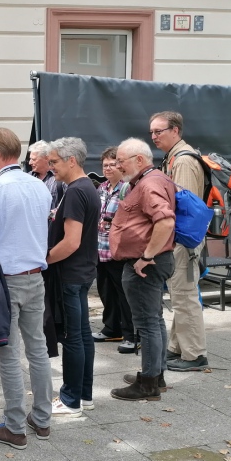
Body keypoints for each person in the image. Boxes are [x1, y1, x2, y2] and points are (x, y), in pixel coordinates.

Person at [0, 128, 53, 449]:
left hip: (5, 281)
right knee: (38, 350)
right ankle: (42, 419)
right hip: (35, 276)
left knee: (7, 353)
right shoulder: (40, 186)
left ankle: (15, 427)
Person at [109, 139, 176, 400]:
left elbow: (165, 221)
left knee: (147, 323)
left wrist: (146, 256)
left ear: (139, 159)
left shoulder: (149, 183)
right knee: (154, 320)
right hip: (154, 261)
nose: (118, 166)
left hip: (146, 264)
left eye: (121, 161)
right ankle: (155, 376)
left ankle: (148, 384)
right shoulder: (153, 179)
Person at [150, 111, 209, 372]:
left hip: (183, 241)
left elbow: (183, 206)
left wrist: (170, 240)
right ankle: (178, 347)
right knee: (179, 294)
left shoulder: (183, 161)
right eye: (151, 132)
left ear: (175, 130)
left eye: (158, 131)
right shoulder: (175, 156)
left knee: (184, 296)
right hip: (181, 240)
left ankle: (195, 355)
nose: (154, 136)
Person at [46, 137, 100, 418]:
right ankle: (83, 395)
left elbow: (71, 242)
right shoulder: (86, 187)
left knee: (73, 337)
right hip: (82, 271)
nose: (51, 166)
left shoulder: (77, 191)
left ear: (72, 160)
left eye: (54, 161)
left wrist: (44, 260)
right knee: (82, 335)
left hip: (71, 273)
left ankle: (70, 400)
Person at [93, 147, 138, 354]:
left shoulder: (128, 188)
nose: (108, 168)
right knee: (106, 292)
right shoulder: (101, 188)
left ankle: (132, 336)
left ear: (121, 166)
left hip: (119, 251)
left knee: (125, 295)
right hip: (100, 249)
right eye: (105, 165)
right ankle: (112, 328)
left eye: (112, 164)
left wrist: (111, 223)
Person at [29, 140, 65, 209]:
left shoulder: (60, 178)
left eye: (34, 159)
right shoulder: (27, 178)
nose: (30, 163)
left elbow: (70, 202)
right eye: (30, 159)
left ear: (46, 158)